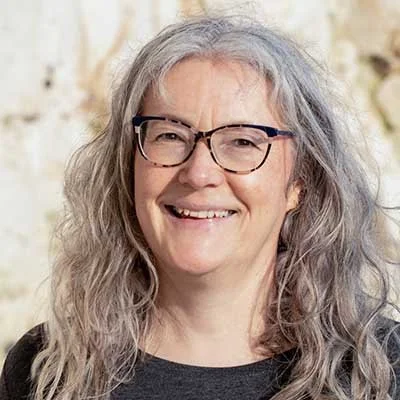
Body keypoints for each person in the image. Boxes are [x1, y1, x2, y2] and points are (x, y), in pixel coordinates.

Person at [1, 14, 399, 400]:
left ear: (300, 182)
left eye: (243, 141)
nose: (198, 173)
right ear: (128, 167)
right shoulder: (45, 370)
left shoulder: (383, 371)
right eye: (170, 135)